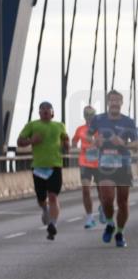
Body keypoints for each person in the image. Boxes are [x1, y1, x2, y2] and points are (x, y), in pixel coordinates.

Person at [89, 90, 138, 248]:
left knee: (122, 202)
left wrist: (124, 144)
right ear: (108, 102)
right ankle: (110, 223)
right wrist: (95, 140)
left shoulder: (128, 122)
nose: (115, 103)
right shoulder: (98, 119)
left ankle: (120, 232)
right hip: (105, 164)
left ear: (122, 103)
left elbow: (136, 143)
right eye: (112, 100)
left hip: (123, 164)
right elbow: (87, 136)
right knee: (107, 198)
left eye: (117, 100)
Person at [16, 101, 69, 240]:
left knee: (53, 196)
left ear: (52, 113)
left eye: (48, 109)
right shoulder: (33, 125)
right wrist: (31, 141)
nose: (45, 111)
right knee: (41, 198)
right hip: (38, 167)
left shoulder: (59, 125)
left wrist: (67, 144)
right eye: (42, 109)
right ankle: (45, 210)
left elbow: (65, 140)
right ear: (39, 112)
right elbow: (19, 142)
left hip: (55, 166)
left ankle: (53, 225)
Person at [71, 105, 100, 228]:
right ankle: (89, 218)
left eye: (91, 115)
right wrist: (74, 149)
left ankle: (103, 208)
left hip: (99, 163)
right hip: (84, 163)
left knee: (102, 192)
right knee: (85, 190)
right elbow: (74, 141)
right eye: (87, 115)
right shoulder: (80, 129)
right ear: (84, 116)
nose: (89, 117)